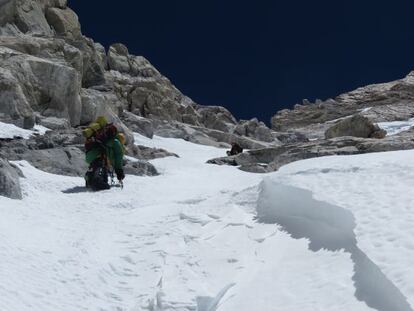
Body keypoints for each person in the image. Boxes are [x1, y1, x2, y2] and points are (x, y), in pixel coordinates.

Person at [83, 116, 125, 191]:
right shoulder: (115, 143)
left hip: (90, 155)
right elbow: (118, 157)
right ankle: (96, 180)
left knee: (103, 176)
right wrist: (119, 170)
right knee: (101, 166)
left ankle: (89, 179)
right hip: (100, 157)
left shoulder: (101, 137)